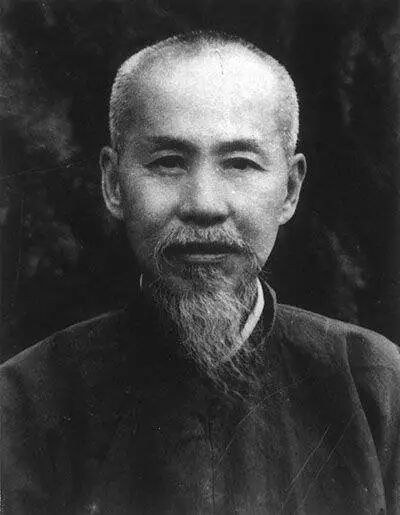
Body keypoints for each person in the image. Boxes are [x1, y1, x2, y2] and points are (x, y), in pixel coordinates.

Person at [1, 30, 399, 515]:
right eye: (168, 163)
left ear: (290, 190)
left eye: (240, 164)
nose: (205, 205)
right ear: (113, 184)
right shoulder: (25, 403)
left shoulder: (375, 388)